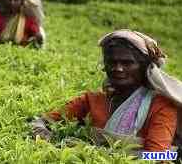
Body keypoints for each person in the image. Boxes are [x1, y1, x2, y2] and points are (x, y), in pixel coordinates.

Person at [31, 30, 182, 153]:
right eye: (112, 62)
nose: (118, 68)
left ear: (144, 67)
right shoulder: (92, 100)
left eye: (127, 63)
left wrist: (94, 152)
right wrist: (43, 136)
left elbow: (157, 158)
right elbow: (44, 120)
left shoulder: (161, 106)